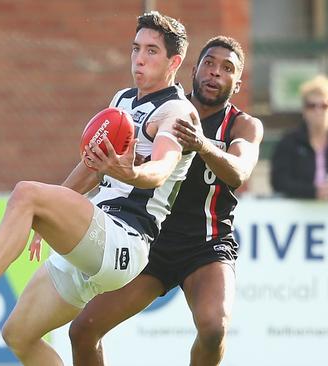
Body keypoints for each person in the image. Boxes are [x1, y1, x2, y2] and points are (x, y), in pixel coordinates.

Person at [0, 11, 196, 366]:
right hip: (94, 235)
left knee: (26, 192)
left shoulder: (177, 111)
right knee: (19, 337)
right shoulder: (122, 100)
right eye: (135, 48)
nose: (139, 58)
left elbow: (162, 168)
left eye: (152, 51)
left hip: (125, 239)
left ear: (175, 62)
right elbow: (91, 168)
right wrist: (51, 212)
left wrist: (132, 174)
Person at [69, 36, 264, 366]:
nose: (215, 72)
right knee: (83, 330)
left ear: (238, 82)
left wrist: (202, 144)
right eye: (209, 63)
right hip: (151, 243)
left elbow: (239, 173)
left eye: (227, 68)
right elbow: (102, 162)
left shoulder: (243, 124)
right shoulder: (167, 110)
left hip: (206, 246)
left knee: (214, 328)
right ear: (193, 69)